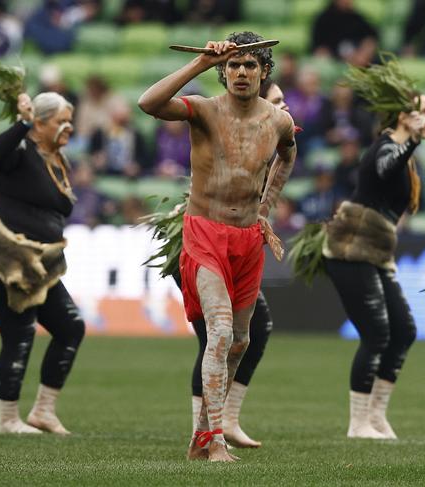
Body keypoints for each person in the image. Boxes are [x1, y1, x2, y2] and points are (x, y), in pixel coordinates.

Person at [138, 31, 296, 462]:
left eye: (249, 65)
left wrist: (265, 210)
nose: (241, 72)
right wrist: (200, 64)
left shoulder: (278, 120)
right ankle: (213, 440)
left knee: (241, 341)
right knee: (221, 332)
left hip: (247, 240)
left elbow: (288, 152)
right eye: (233, 65)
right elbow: (148, 104)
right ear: (224, 71)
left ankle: (202, 435)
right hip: (205, 233)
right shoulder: (204, 110)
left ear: (264, 72)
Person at [321, 58, 425, 439]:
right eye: (421, 112)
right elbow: (385, 169)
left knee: (404, 330)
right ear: (403, 117)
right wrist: (414, 141)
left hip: (378, 252)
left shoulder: (407, 155)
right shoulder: (385, 146)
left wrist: (414, 145)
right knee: (377, 335)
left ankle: (377, 415)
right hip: (352, 247)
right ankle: (357, 423)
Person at [0, 92, 85, 435]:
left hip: (43, 265)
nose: (68, 126)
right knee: (19, 333)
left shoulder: (58, 159)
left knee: (70, 328)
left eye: (70, 120)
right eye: (61, 120)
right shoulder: (20, 152)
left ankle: (43, 411)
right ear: (39, 124)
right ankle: (8, 420)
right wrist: (20, 123)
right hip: (8, 261)